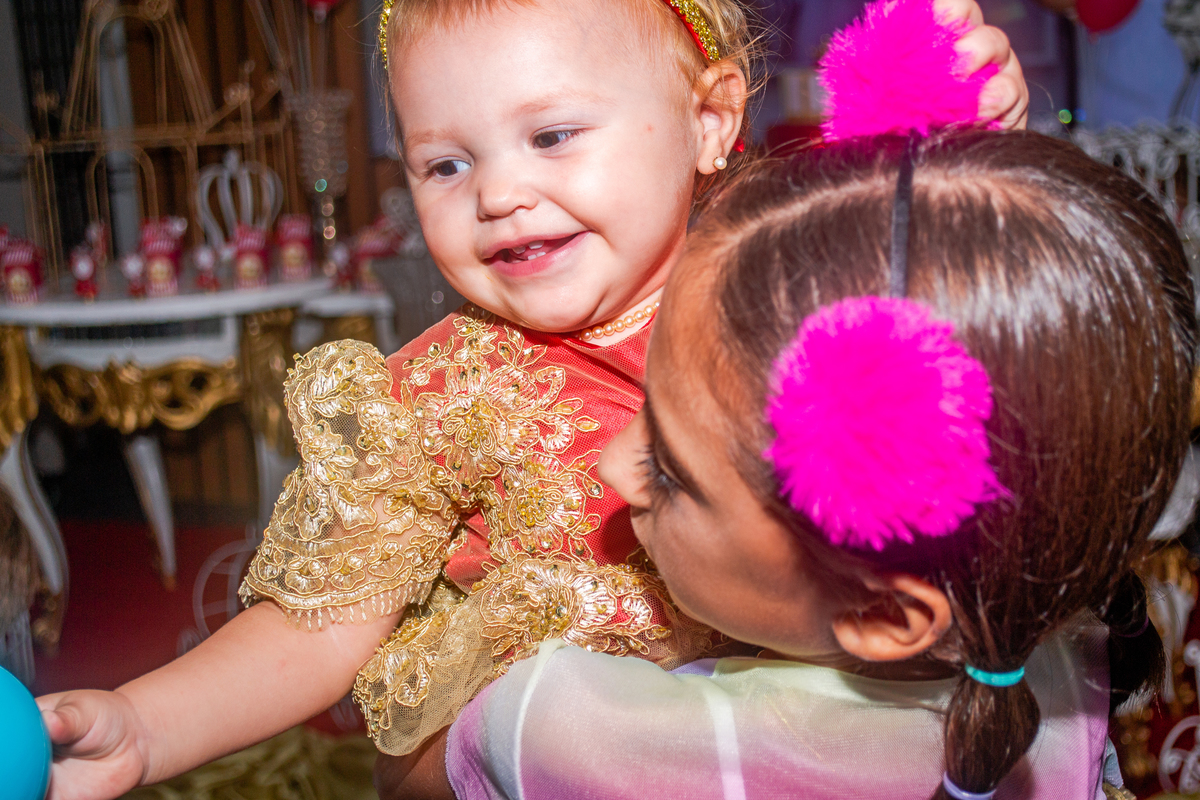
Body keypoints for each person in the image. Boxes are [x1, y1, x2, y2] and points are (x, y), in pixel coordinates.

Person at [36, 1, 1029, 796]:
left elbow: (960, 301)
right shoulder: (435, 396)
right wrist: (145, 726)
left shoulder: (796, 280)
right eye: (446, 163)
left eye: (552, 135)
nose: (498, 194)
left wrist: (973, 157)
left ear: (709, 119)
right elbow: (318, 622)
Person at [383, 129, 1192, 799]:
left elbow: (408, 771)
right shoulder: (1055, 641)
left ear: (885, 615)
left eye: (671, 471)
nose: (614, 469)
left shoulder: (571, 733)